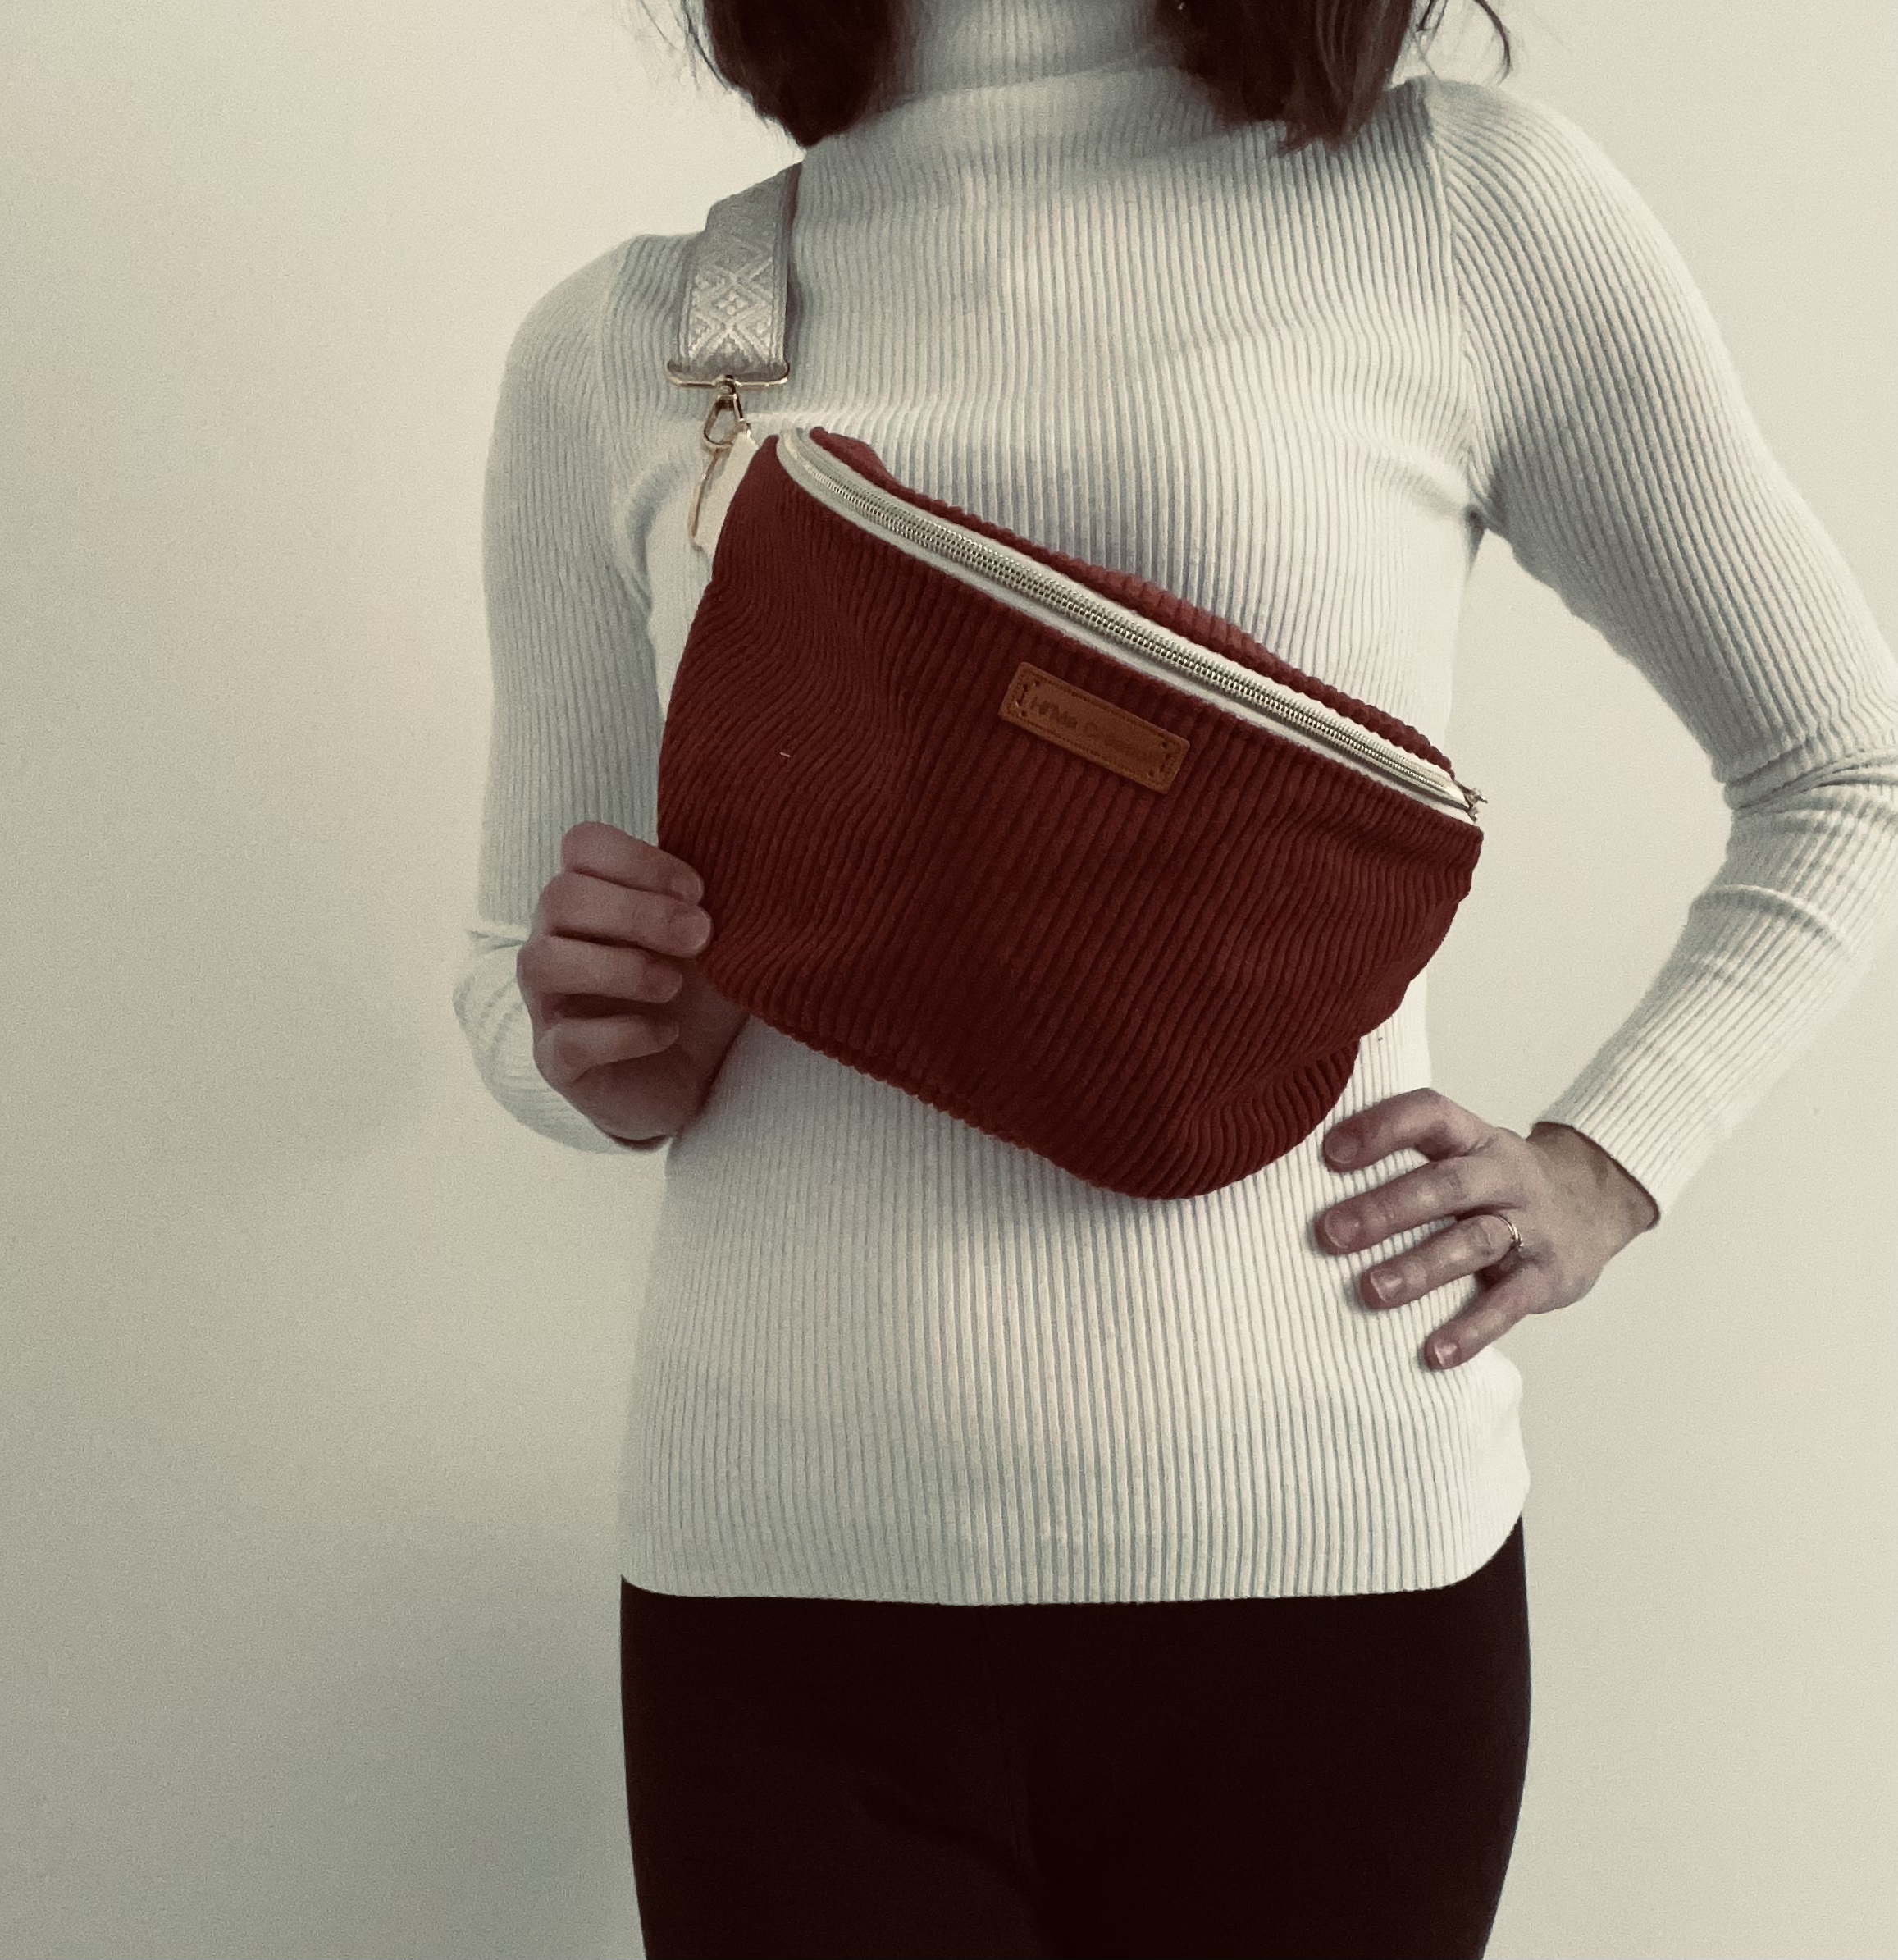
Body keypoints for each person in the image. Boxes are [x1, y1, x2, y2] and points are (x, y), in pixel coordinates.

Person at [453, 0, 1898, 1953]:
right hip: (783, 1601)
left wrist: (1606, 1160)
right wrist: (584, 1047)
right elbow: (509, 969)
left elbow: (1844, 773)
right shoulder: (645, 339)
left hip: (1330, 1589)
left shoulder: (1457, 206)